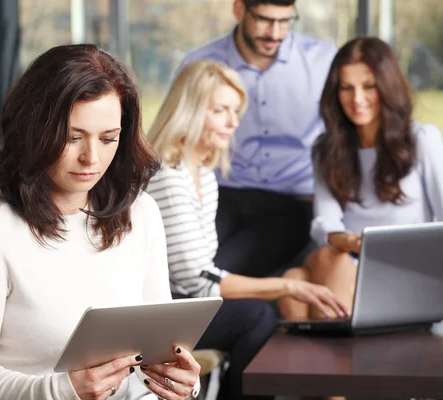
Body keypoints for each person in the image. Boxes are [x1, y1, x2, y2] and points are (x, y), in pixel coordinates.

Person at [0, 44, 201, 400]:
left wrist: (179, 382)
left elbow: (158, 350)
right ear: (36, 130)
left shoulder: (141, 213)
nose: (91, 157)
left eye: (108, 138)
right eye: (72, 137)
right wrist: (61, 391)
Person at [146, 59, 348, 400]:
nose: (233, 122)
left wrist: (284, 288)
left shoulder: (203, 175)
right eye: (220, 111)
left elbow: (203, 273)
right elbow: (195, 279)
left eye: (234, 111)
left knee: (262, 310)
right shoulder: (169, 176)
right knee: (255, 317)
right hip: (159, 308)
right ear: (191, 111)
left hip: (184, 301)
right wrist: (285, 287)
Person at [278, 37, 443, 320]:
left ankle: (334, 360)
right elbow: (325, 224)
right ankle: (341, 360)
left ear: (387, 87)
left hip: (409, 272)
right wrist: (352, 242)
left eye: (368, 87)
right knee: (301, 275)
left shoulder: (422, 140)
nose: (357, 99)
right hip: (348, 258)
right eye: (346, 88)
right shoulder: (326, 149)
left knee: (301, 277)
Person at [176, 0, 338, 278]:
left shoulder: (322, 61)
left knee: (216, 271)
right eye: (264, 19)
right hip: (222, 194)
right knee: (187, 265)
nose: (275, 33)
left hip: (293, 200)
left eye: (285, 21)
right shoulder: (201, 65)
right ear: (239, 10)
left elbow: (344, 136)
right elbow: (180, 135)